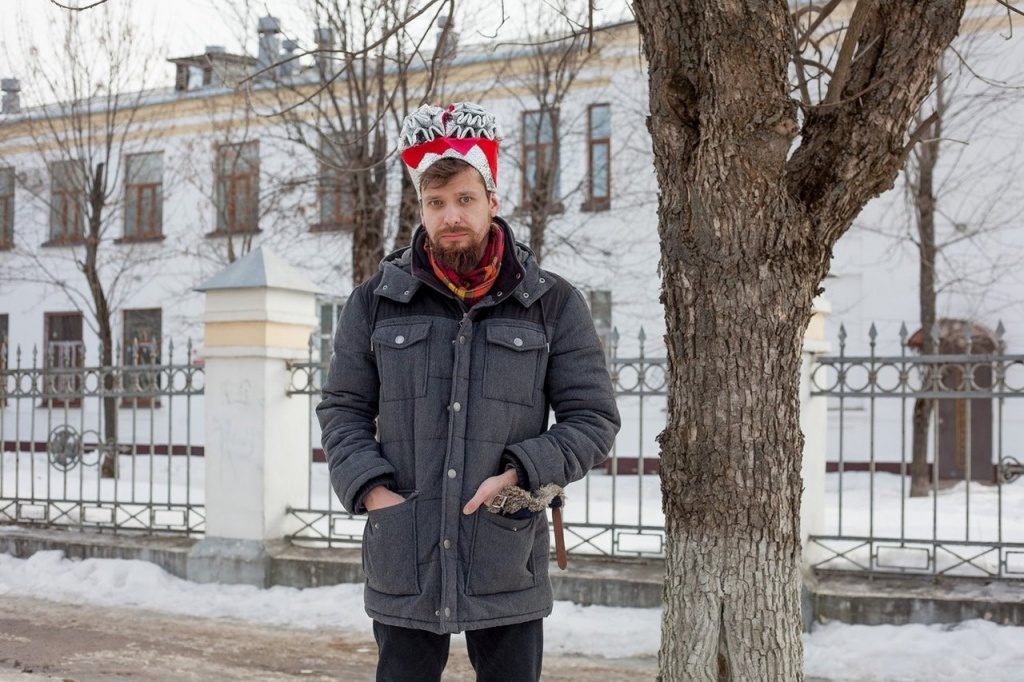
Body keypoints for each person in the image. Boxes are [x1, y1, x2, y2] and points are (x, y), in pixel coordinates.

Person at [317, 101, 620, 682]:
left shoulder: (551, 302)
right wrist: (373, 491)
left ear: (492, 201)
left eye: (464, 199)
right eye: (436, 203)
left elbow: (593, 418)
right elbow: (343, 409)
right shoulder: (374, 301)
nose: (450, 215)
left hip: (504, 549)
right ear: (421, 209)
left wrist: (521, 475)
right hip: (406, 547)